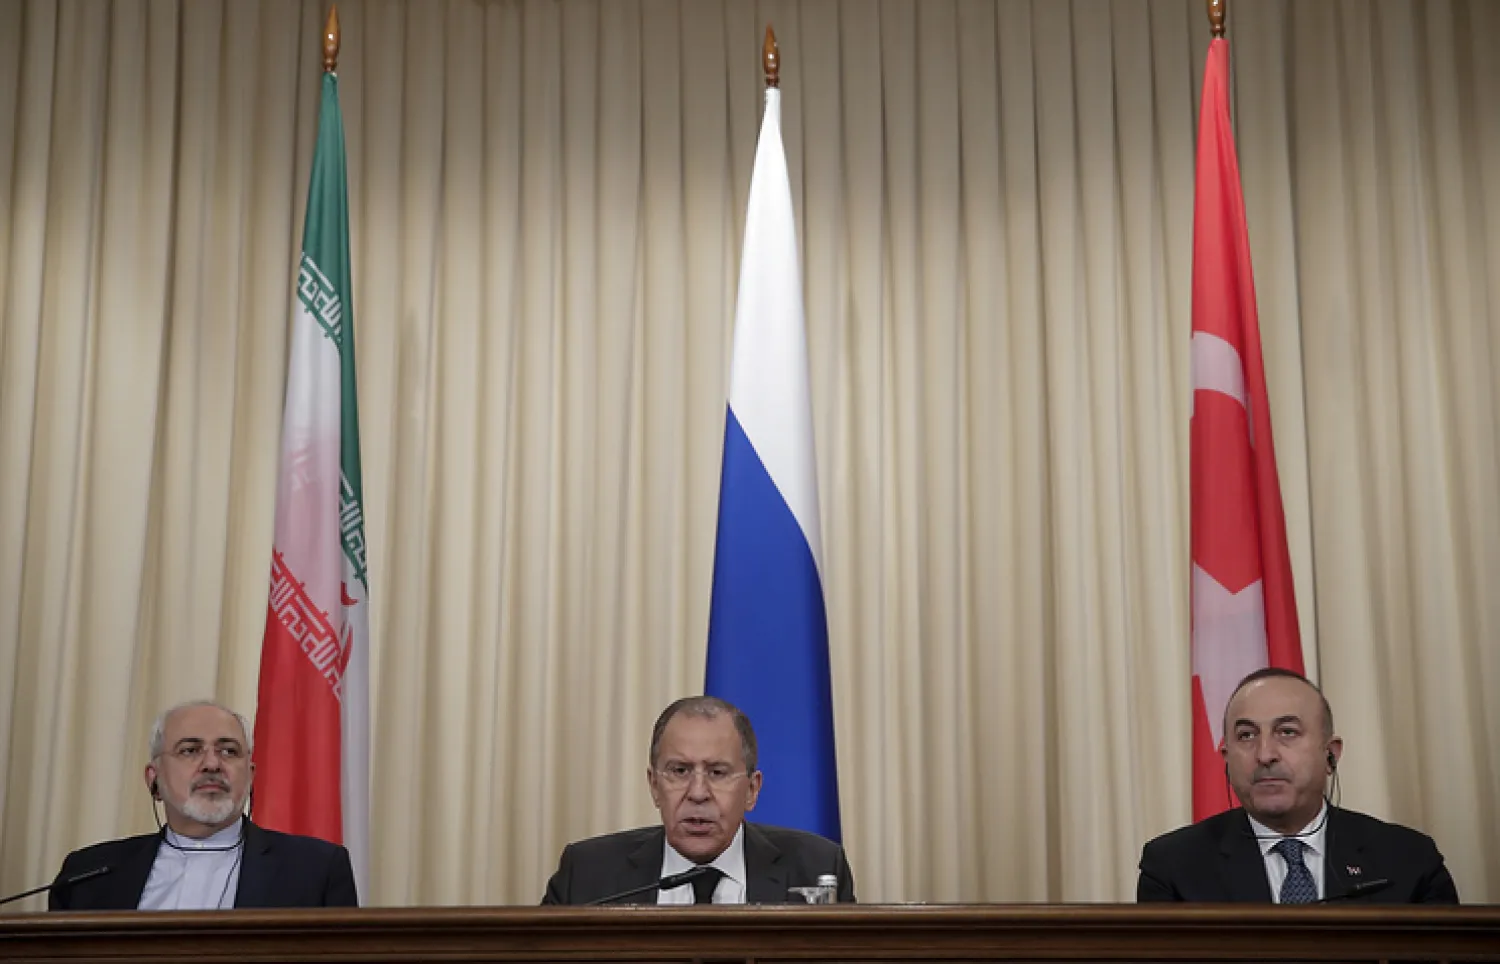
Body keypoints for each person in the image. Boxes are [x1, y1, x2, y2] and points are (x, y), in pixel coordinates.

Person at [1137, 668, 1458, 903]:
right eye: (1246, 735)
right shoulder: (1173, 866)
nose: (1265, 754)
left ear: (1330, 754)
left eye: (1287, 732)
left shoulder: (1408, 859)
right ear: (1226, 757)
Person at [542, 696, 855, 904]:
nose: (697, 792)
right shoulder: (586, 874)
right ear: (654, 785)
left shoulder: (816, 866)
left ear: (751, 790)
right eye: (679, 771)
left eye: (718, 772)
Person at [49, 699, 358, 910]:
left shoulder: (316, 869)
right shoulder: (88, 875)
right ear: (153, 780)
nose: (212, 764)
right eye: (190, 750)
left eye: (228, 751)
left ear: (250, 776)